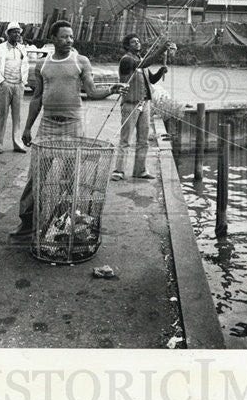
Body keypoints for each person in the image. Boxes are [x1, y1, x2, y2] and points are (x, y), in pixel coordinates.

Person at [9, 20, 126, 239]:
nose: (69, 40)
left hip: (73, 125)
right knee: (36, 176)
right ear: (53, 39)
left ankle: (61, 223)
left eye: (71, 37)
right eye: (64, 36)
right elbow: (36, 98)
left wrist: (111, 89)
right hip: (48, 125)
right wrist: (27, 128)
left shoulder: (81, 61)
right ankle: (27, 223)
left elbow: (91, 91)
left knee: (69, 179)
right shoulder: (42, 65)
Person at [111, 33, 169, 181]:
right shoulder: (127, 60)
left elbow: (152, 80)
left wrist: (161, 71)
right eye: (133, 42)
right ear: (127, 46)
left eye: (138, 41)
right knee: (126, 140)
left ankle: (140, 170)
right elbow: (144, 64)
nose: (137, 43)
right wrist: (161, 49)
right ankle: (118, 171)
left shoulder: (141, 60)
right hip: (130, 105)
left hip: (145, 104)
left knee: (143, 140)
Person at [0, 22, 29, 154]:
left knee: (17, 117)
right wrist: (1, 82)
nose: (17, 34)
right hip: (4, 86)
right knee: (2, 115)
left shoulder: (22, 49)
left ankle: (17, 144)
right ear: (8, 34)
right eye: (14, 32)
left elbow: (26, 65)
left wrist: (23, 82)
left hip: (18, 85)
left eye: (18, 32)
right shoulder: (0, 48)